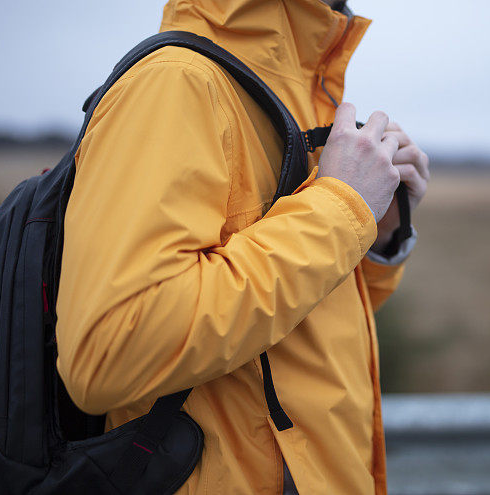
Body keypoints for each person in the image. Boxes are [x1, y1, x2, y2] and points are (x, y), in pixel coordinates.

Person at [55, 0, 430, 493]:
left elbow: (299, 329)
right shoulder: (176, 83)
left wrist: (376, 233)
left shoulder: (293, 87)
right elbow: (112, 350)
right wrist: (341, 209)